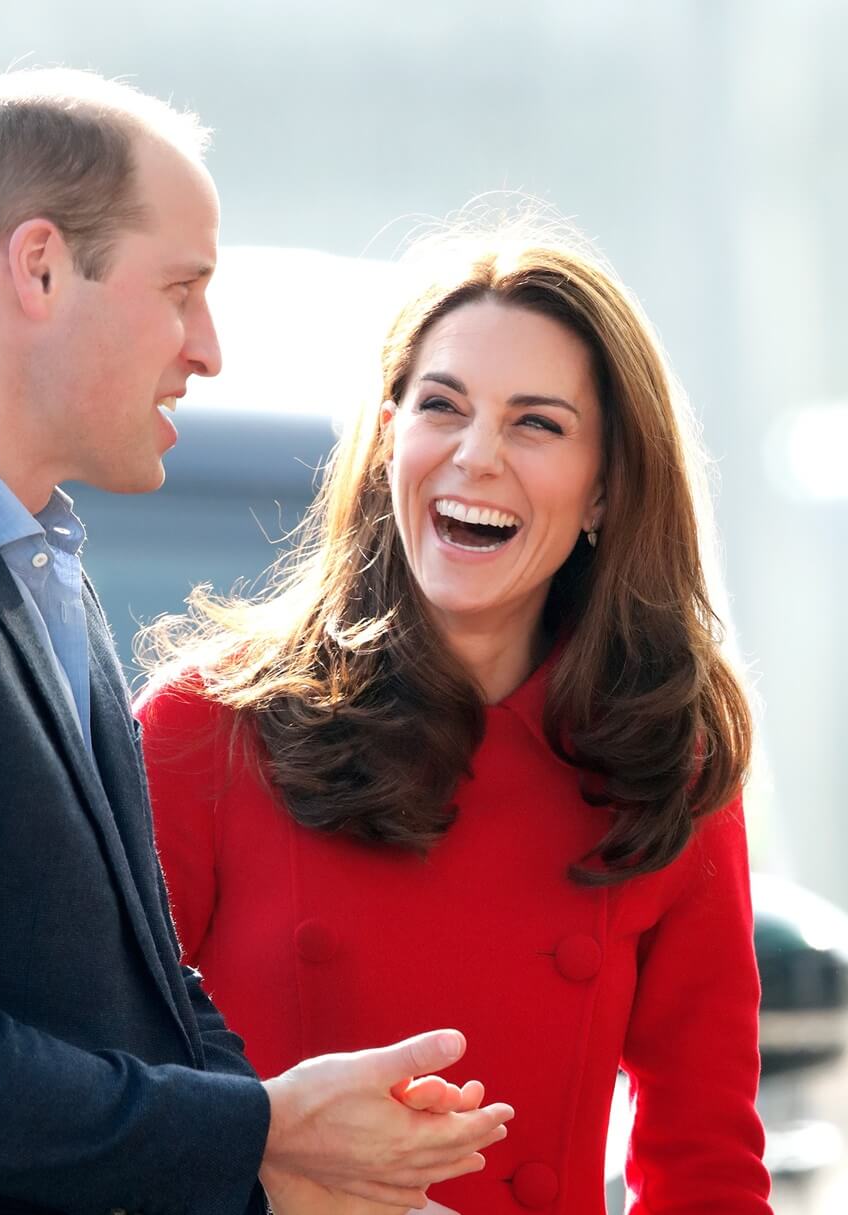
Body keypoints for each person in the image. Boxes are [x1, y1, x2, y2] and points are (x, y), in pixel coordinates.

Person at [0, 71, 515, 1215]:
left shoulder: (23, 571)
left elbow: (123, 999)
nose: (210, 348)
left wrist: (310, 1165)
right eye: (182, 290)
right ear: (37, 268)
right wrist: (266, 1130)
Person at [135, 228, 774, 1213]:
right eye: (443, 406)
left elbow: (708, 1172)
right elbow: (87, 1109)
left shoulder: (667, 764)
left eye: (537, 425)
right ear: (391, 437)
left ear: (606, 487)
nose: (476, 456)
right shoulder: (205, 732)